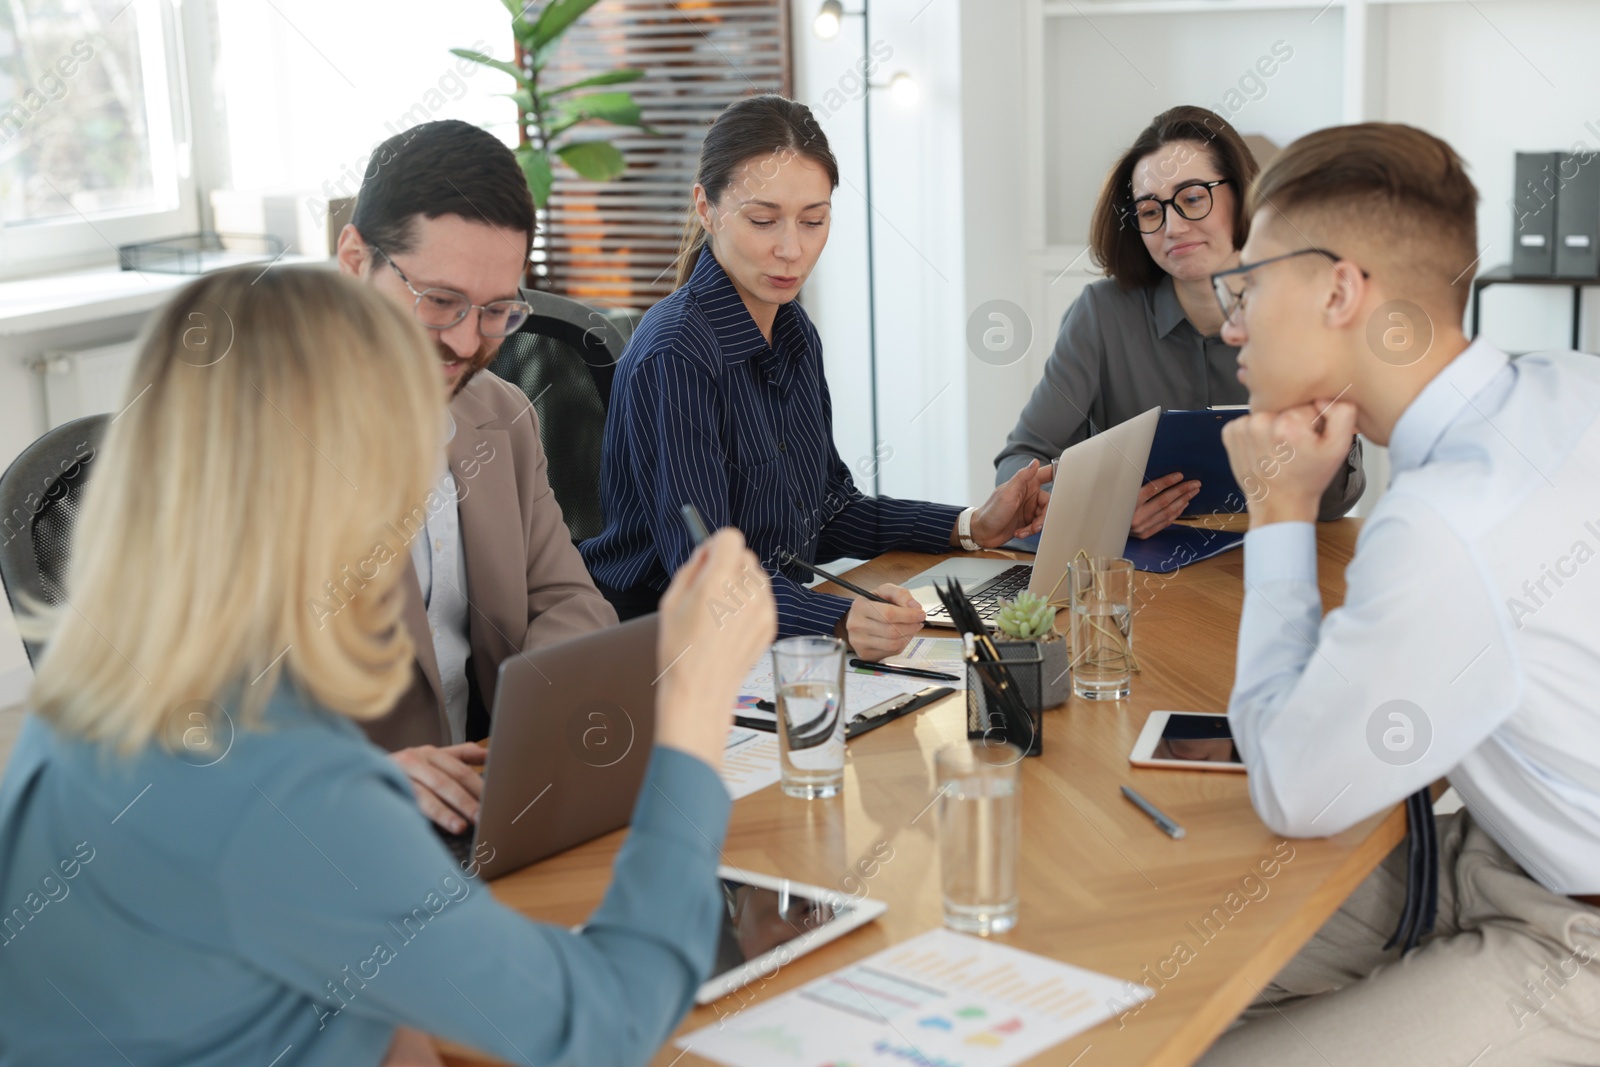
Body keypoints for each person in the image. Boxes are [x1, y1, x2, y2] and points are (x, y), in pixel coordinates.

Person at [0, 267, 775, 1067]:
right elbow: (607, 1025)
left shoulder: (107, 692)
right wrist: (692, 711)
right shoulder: (287, 788)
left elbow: (339, 1001)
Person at [1197, 123, 1600, 1064]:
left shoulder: (1445, 520)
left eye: (1247, 284)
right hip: (1495, 853)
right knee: (1176, 981)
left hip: (1570, 933)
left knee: (1199, 1044)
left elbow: (1297, 788)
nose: (1229, 322)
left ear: (1340, 288)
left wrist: (1281, 511)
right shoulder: (1573, 383)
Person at [580, 94, 1052, 661]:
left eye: (814, 220)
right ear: (706, 209)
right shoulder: (677, 353)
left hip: (771, 633)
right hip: (666, 649)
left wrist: (972, 524)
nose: (791, 249)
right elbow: (705, 576)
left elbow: (830, 511)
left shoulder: (794, 331)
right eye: (763, 220)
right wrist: (838, 619)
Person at [334, 119, 617, 834]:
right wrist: (349, 773)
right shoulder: (256, 437)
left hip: (489, 810)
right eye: (438, 300)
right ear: (353, 261)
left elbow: (571, 604)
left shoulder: (502, 414)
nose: (466, 340)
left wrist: (526, 729)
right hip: (335, 836)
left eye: (496, 311)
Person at [995, 106, 1363, 537]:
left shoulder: (1305, 311)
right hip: (1139, 580)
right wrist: (1102, 508)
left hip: (1271, 555)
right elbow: (1018, 466)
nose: (1172, 227)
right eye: (1151, 211)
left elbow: (1335, 502)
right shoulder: (1101, 313)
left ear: (1244, 195)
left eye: (1191, 199)